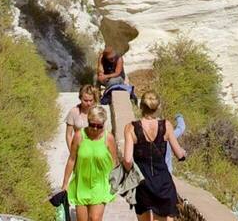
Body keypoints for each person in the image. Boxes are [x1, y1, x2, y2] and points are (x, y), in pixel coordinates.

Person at [121, 91, 187, 221]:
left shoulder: (131, 128)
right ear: (158, 107)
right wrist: (183, 154)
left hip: (143, 182)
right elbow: (179, 154)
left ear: (141, 106)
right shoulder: (166, 125)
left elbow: (127, 160)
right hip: (163, 182)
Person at [61, 107, 120, 221]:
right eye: (92, 125)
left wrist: (116, 183)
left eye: (99, 126)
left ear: (103, 124)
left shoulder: (108, 138)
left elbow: (114, 162)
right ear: (88, 121)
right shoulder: (79, 136)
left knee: (94, 219)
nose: (95, 129)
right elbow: (72, 159)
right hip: (81, 183)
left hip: (100, 184)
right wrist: (65, 183)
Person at [65, 85, 103, 149]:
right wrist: (72, 152)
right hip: (79, 147)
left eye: (91, 100)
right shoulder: (73, 112)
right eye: (85, 100)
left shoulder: (99, 112)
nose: (88, 103)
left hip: (96, 148)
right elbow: (68, 135)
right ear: (80, 98)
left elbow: (104, 133)